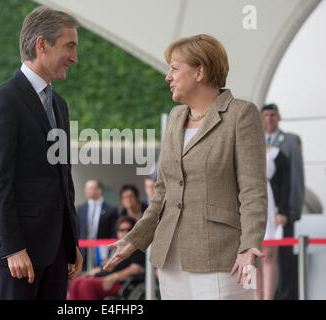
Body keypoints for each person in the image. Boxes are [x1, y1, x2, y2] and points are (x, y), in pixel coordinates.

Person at [104, 34, 268, 300]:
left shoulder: (241, 114)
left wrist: (249, 247)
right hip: (170, 259)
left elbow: (253, 191)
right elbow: (162, 194)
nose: (168, 76)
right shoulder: (175, 117)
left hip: (221, 257)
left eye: (175, 68)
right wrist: (134, 239)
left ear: (200, 71)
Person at [0, 6, 83, 300]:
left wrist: (70, 242)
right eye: (69, 46)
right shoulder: (0, 102)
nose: (75, 57)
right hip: (17, 255)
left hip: (57, 253)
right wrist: (12, 247)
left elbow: (63, 179)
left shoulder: (59, 105)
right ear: (42, 44)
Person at [261, 103, 305, 300]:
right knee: (262, 257)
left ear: (278, 118)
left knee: (284, 258)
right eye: (266, 115)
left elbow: (294, 178)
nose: (269, 119)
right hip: (261, 207)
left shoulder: (290, 141)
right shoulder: (253, 142)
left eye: (273, 115)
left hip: (281, 209)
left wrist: (289, 210)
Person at [69, 216, 145, 300]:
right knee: (76, 282)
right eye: (122, 230)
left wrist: (114, 277)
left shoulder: (136, 248)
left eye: (129, 230)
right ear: (117, 232)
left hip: (121, 283)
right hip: (104, 277)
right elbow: (104, 265)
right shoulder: (115, 248)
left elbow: (137, 269)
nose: (125, 232)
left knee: (86, 284)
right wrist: (91, 273)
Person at [255, 142, 290, 300]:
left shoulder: (277, 154)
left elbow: (285, 185)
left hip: (271, 208)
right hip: (251, 206)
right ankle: (257, 296)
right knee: (253, 257)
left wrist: (282, 211)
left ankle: (269, 297)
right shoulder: (244, 150)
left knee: (268, 255)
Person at [76, 179, 118, 269]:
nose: (86, 190)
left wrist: (110, 251)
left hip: (103, 253)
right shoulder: (80, 208)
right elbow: (77, 230)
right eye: (86, 188)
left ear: (99, 190)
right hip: (83, 252)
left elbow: (113, 232)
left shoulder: (111, 209)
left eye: (90, 188)